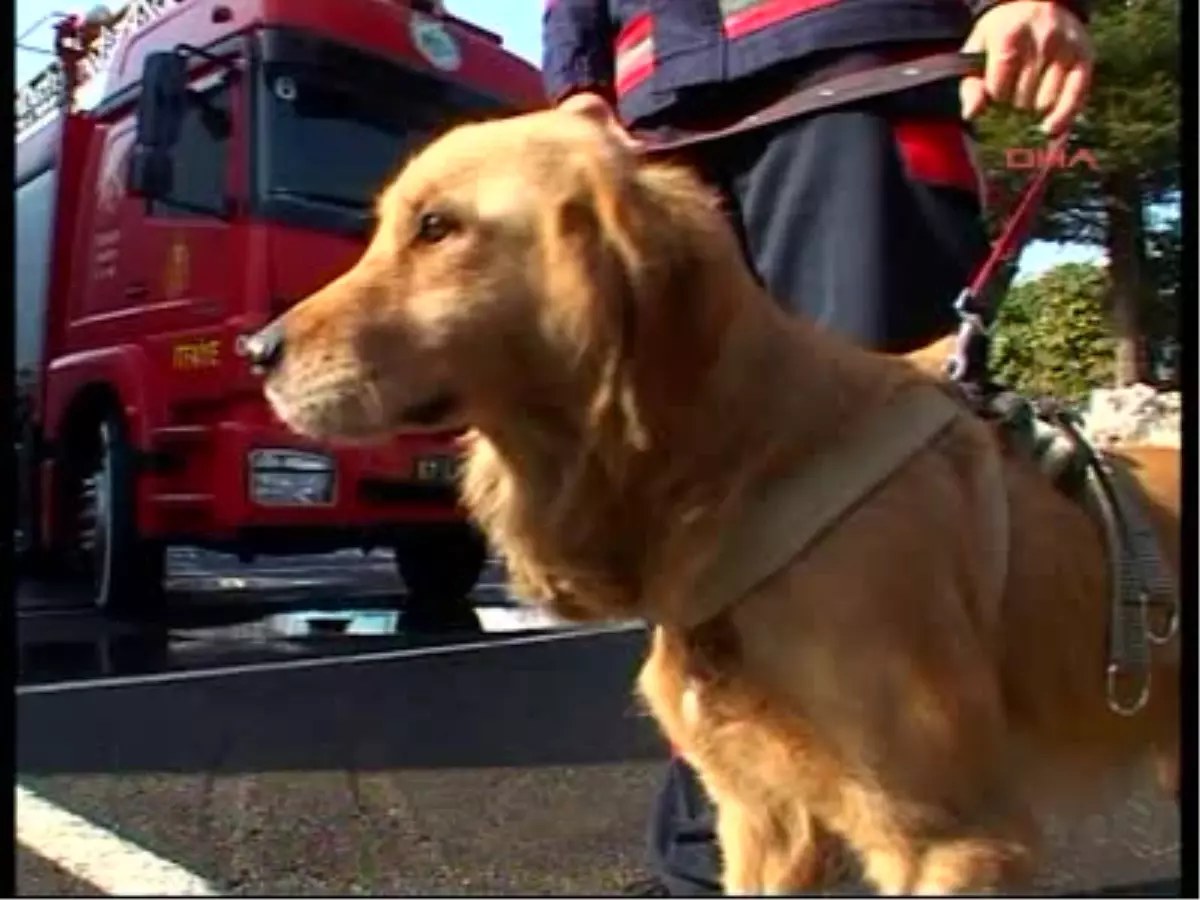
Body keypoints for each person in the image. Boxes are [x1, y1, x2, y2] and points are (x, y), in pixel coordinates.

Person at [541, 0, 1094, 894]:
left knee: (876, 498)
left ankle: (937, 832)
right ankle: (711, 871)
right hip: (652, 125)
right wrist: (577, 87)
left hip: (854, 73)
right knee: (683, 514)